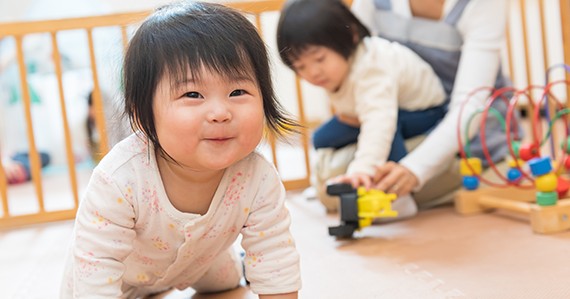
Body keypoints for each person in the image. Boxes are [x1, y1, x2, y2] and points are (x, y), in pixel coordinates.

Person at [60, 2, 301, 298]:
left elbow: (274, 254)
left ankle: (229, 268)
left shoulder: (258, 177)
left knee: (229, 280)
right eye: (192, 94)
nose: (220, 112)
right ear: (141, 113)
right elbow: (96, 266)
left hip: (201, 262)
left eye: (237, 92)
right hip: (119, 276)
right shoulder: (120, 179)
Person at [277, 0, 447, 217]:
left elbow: (380, 123)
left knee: (387, 129)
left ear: (350, 38)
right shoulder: (336, 67)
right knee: (321, 137)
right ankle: (323, 183)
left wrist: (360, 171)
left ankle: (399, 200)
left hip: (424, 112)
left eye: (319, 59)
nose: (312, 72)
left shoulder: (372, 67)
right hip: (379, 109)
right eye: (300, 66)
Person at [351, 0, 513, 208]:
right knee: (341, 175)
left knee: (346, 185)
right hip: (405, 122)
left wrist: (414, 169)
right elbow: (354, 64)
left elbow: (469, 106)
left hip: (467, 136)